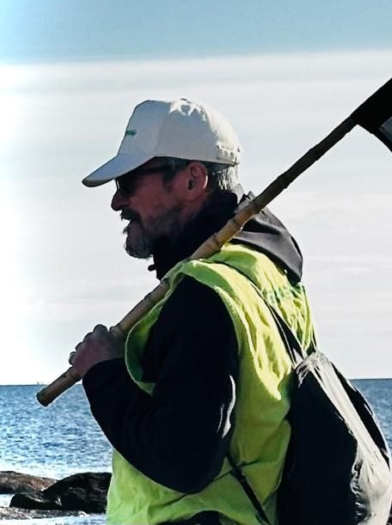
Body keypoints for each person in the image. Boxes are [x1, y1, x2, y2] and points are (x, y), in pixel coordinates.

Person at [69, 98, 314, 525]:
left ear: (192, 179)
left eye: (128, 182)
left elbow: (183, 461)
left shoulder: (204, 293)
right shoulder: (272, 275)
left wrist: (104, 373)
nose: (117, 202)